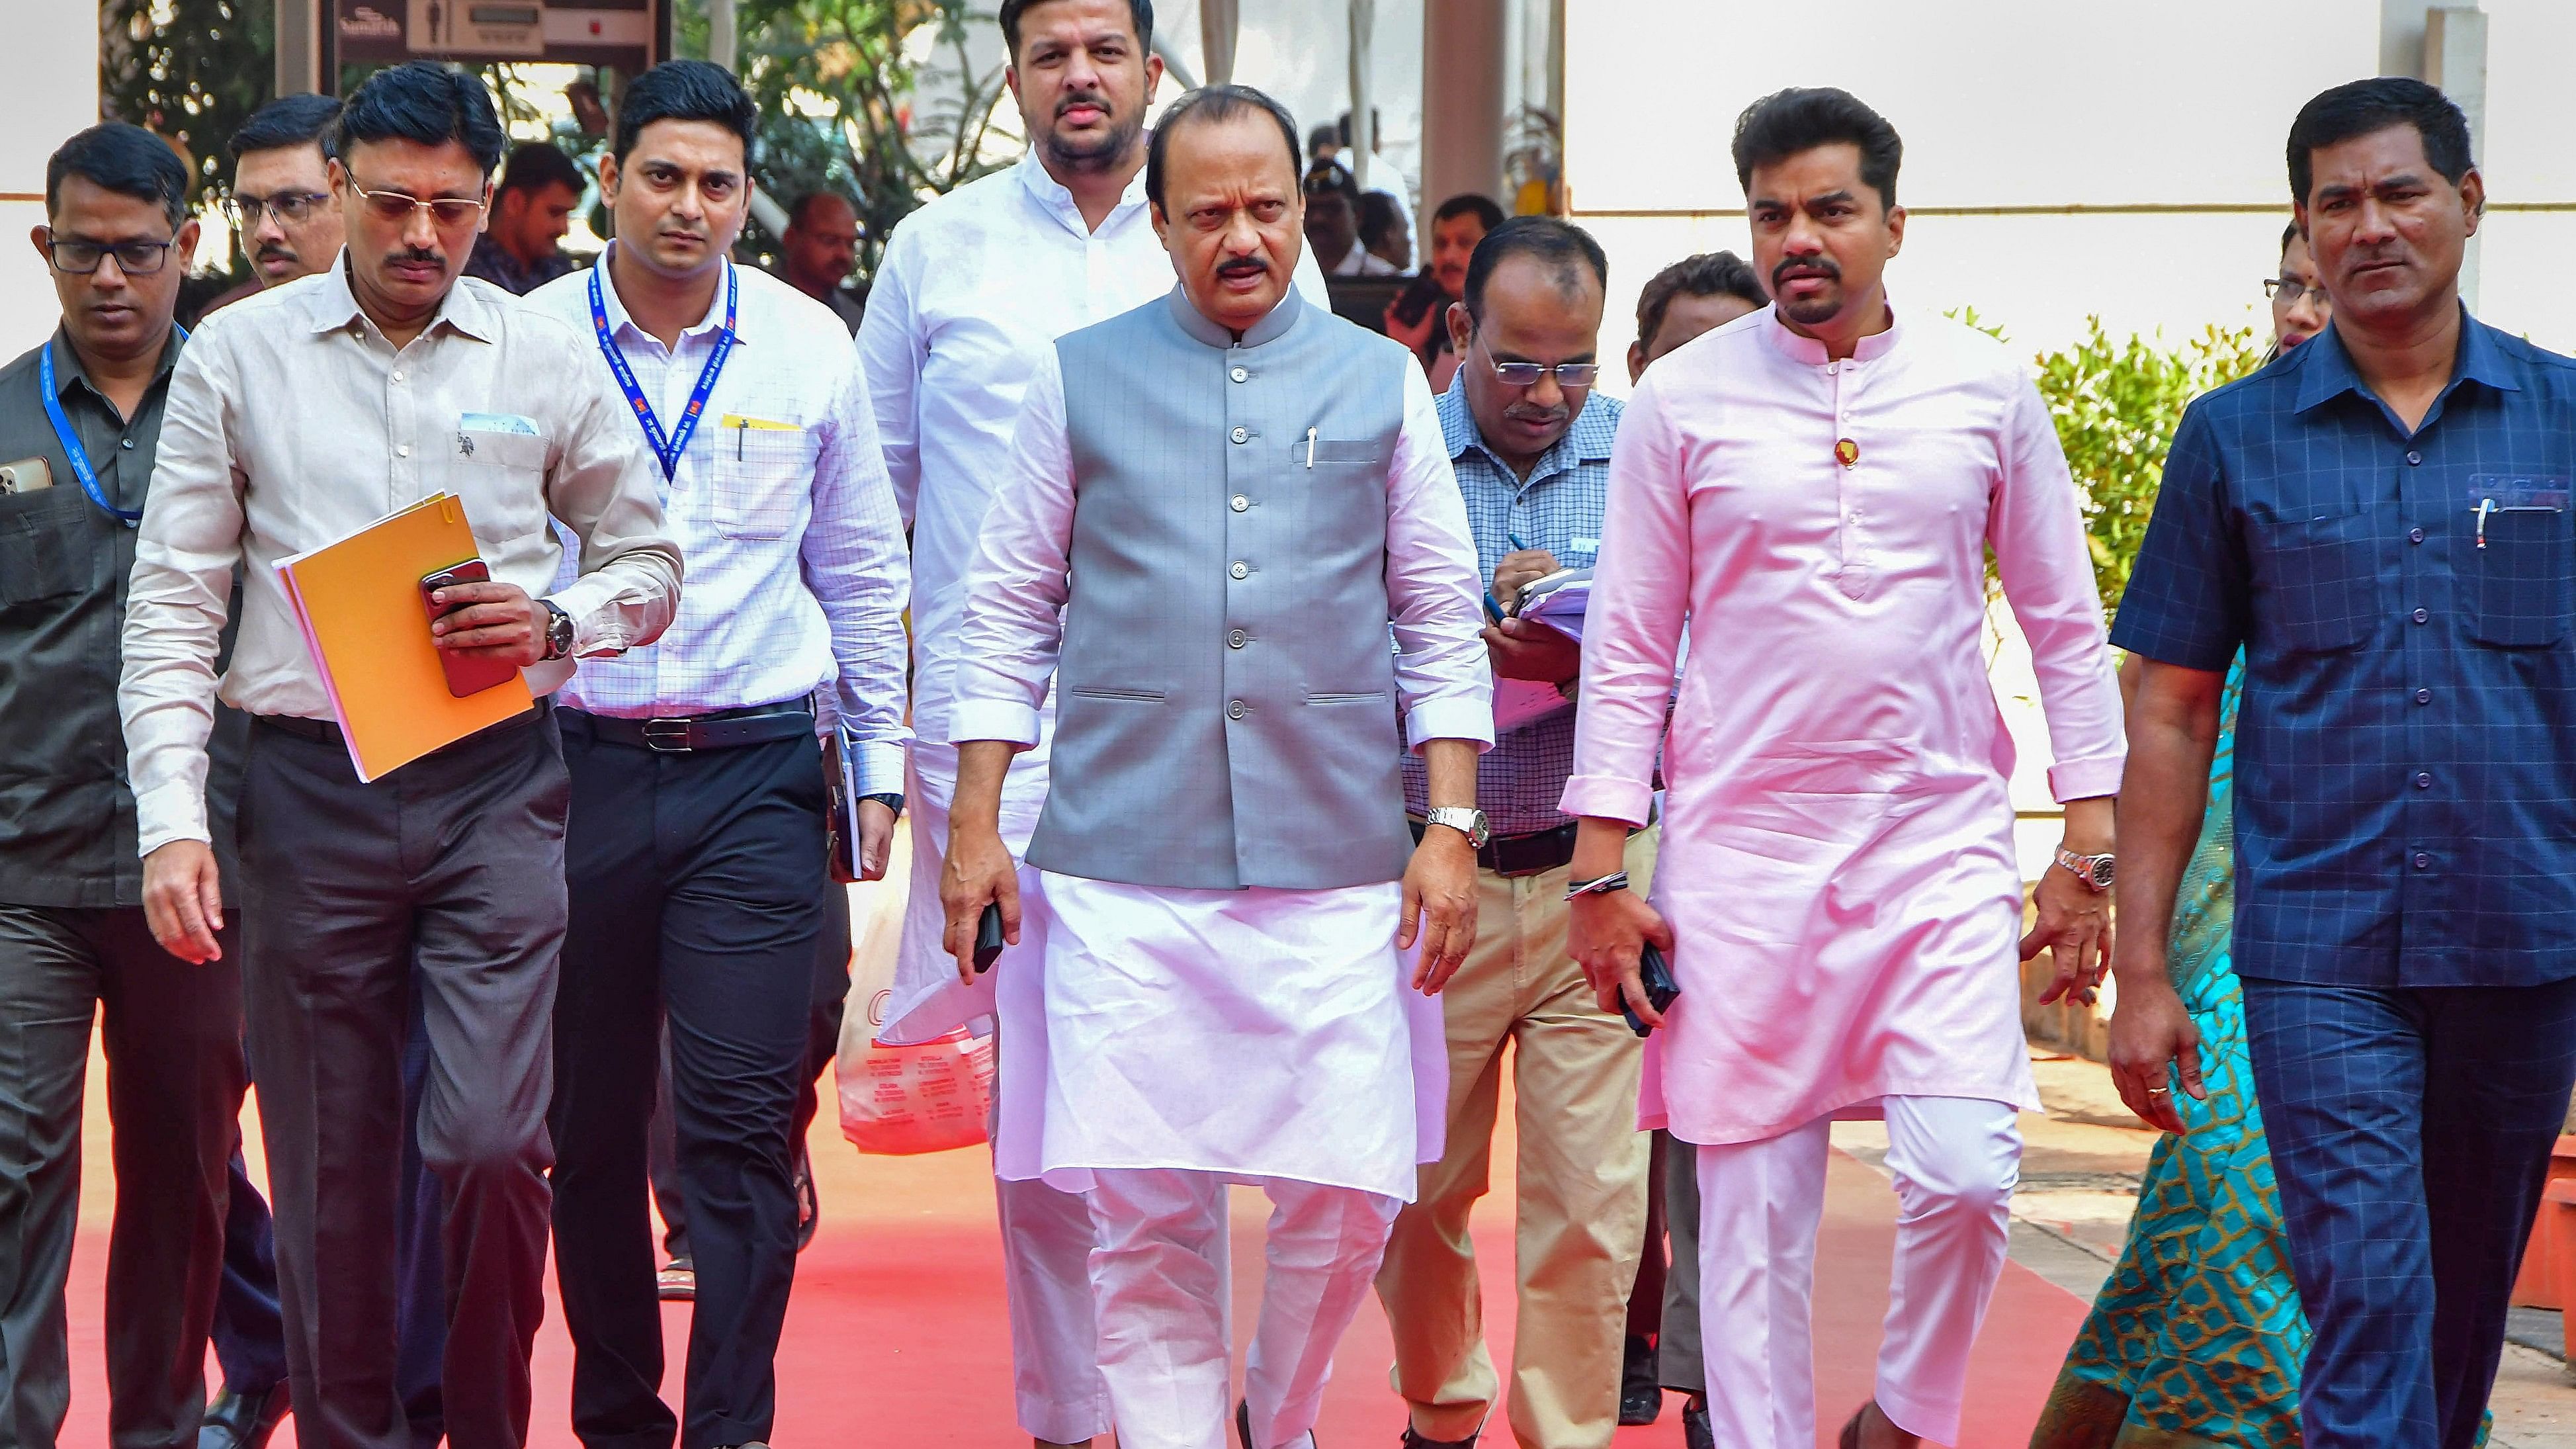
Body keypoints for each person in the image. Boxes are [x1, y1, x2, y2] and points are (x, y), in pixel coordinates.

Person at [118, 62, 682, 1449]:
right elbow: (177, 598)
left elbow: (652, 557)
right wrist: (170, 817)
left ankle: (483, 1428)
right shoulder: (238, 357)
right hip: (303, 793)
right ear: (342, 194)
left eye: (450, 207)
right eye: (389, 205)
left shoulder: (540, 352)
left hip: (495, 780)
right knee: (331, 1172)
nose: (421, 235)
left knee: (492, 1145)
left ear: (487, 204)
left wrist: (559, 615)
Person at [1562, 87, 2124, 1449]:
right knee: (1749, 1227)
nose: (1798, 238)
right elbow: (1631, 644)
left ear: (1894, 222)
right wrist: (1598, 869)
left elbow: (2063, 621)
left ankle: (1910, 1414)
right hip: (1742, 856)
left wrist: (2087, 851)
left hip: (1933, 843)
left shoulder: (1984, 385)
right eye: (1772, 214)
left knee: (1969, 1171)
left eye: (1830, 209)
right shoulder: (1684, 403)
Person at [938, 81, 1492, 1449]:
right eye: (1206, 214)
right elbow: (1005, 607)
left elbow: (1436, 609)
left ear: (1303, 209)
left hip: (1339, 864)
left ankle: (1278, 1414)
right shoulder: (1076, 372)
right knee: (1143, 1209)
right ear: (1163, 222)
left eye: (1264, 208)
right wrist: (975, 821)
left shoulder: (1378, 381)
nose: (1238, 237)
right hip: (1125, 865)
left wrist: (1454, 822)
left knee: (1352, 1193)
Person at [857, 3, 1328, 1442]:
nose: (1080, 76)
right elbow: (874, 507)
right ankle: (1076, 1414)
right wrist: (890, 748)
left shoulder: (1219, 240)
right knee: (1052, 1109)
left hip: (1199, 739)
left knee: (1196, 1083)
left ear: (1150, 70)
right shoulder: (938, 251)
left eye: (1104, 50)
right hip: (997, 746)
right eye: (1051, 52)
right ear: (1015, 76)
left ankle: (1214, 1401)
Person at [2108, 77, 2576, 1449]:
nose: (2369, 226)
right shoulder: (2232, 438)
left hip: (2526, 946)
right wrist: (2141, 971)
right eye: (2337, 202)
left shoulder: (2564, 421)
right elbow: (2173, 712)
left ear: (2468, 205)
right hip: (2321, 955)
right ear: (2304, 229)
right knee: (2367, 1301)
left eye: (2400, 192)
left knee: (2458, 1330)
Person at [527, 60, 910, 1449]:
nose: (689, 207)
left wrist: (877, 775)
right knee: (587, 1125)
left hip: (756, 770)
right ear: (609, 183)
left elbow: (861, 571)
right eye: (662, 177)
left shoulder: (811, 347)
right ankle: (619, 1415)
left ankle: (731, 1427)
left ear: (745, 198)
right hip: (570, 771)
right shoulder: (527, 346)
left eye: (717, 184)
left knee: (746, 1127)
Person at [2030, 221, 2338, 1449]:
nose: (2303, 311)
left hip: (2372, 893)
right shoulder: (2229, 436)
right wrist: (2096, 876)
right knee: (2230, 1174)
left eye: (2322, 289)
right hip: (2209, 889)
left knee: (2215, 1216)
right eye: (2290, 285)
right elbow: (2152, 679)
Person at [1367, 216, 1647, 1449]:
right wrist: (1458, 673)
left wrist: (1581, 668)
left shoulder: (1642, 453)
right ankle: (1442, 1403)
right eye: (1518, 363)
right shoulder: (1397, 454)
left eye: (1573, 365)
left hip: (1593, 880)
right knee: (1415, 1193)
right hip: (1437, 878)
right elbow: (1333, 646)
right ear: (1460, 332)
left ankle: (1563, 1433)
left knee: (1593, 1201)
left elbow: (1702, 650)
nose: (1546, 395)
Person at [0, 119, 237, 1449]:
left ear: (184, 248)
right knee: (15, 1173)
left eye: (138, 252)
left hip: (199, 876)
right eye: (82, 249)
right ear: (45, 246)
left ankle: (158, 1427)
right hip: (23, 868)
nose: (110, 279)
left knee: (182, 1183)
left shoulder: (243, 402)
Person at [1610, 249, 1768, 1449]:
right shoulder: (1615, 463)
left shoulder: (1800, 481)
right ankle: (1620, 1330)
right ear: (1638, 366)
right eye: (1682, 354)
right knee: (1605, 1139)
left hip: (1744, 841)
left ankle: (1719, 1390)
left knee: (1714, 1132)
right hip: (1606, 832)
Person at [1387, 193, 1503, 390]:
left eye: (1465, 242)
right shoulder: (1434, 327)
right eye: (1441, 244)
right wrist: (1410, 347)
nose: (1449, 257)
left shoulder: (1516, 324)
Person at [462, 138, 584, 294]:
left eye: (567, 215)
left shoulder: (559, 271)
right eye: (554, 212)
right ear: (515, 202)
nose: (564, 229)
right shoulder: (468, 275)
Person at [779, 191, 867, 333]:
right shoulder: (754, 296)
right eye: (830, 241)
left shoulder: (856, 325)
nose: (843, 254)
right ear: (791, 237)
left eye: (850, 244)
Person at [1306, 161, 1396, 276]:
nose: (1318, 219)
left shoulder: (1384, 281)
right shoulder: (1291, 279)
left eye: (1331, 209)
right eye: (1310, 208)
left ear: (1358, 215)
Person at [1360, 191, 1412, 273]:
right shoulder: (1395, 282)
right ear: (1389, 234)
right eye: (1405, 232)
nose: (1410, 242)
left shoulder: (1341, 279)